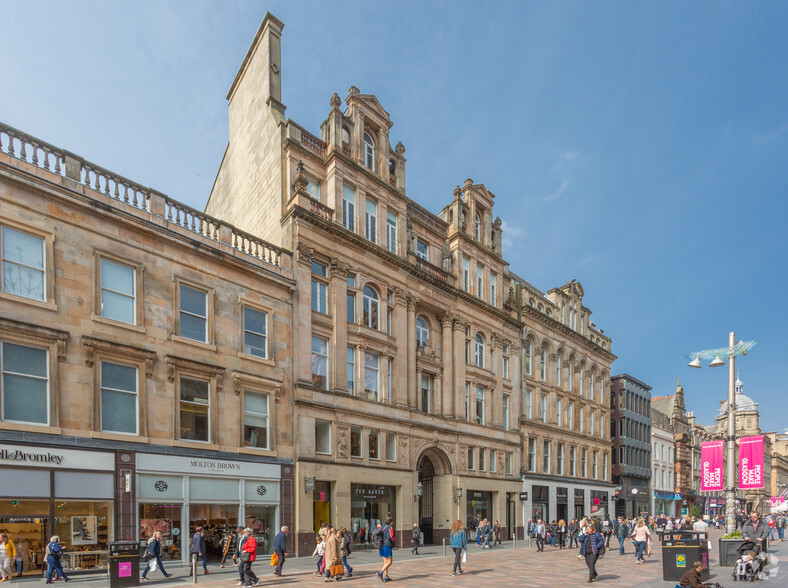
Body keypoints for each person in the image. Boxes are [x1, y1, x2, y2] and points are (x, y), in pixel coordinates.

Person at [376, 517, 395, 582]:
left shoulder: (381, 527)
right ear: (390, 522)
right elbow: (391, 537)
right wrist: (394, 540)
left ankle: (386, 576)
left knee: (385, 562)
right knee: (390, 562)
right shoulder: (389, 527)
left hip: (380, 546)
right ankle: (380, 572)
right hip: (387, 545)